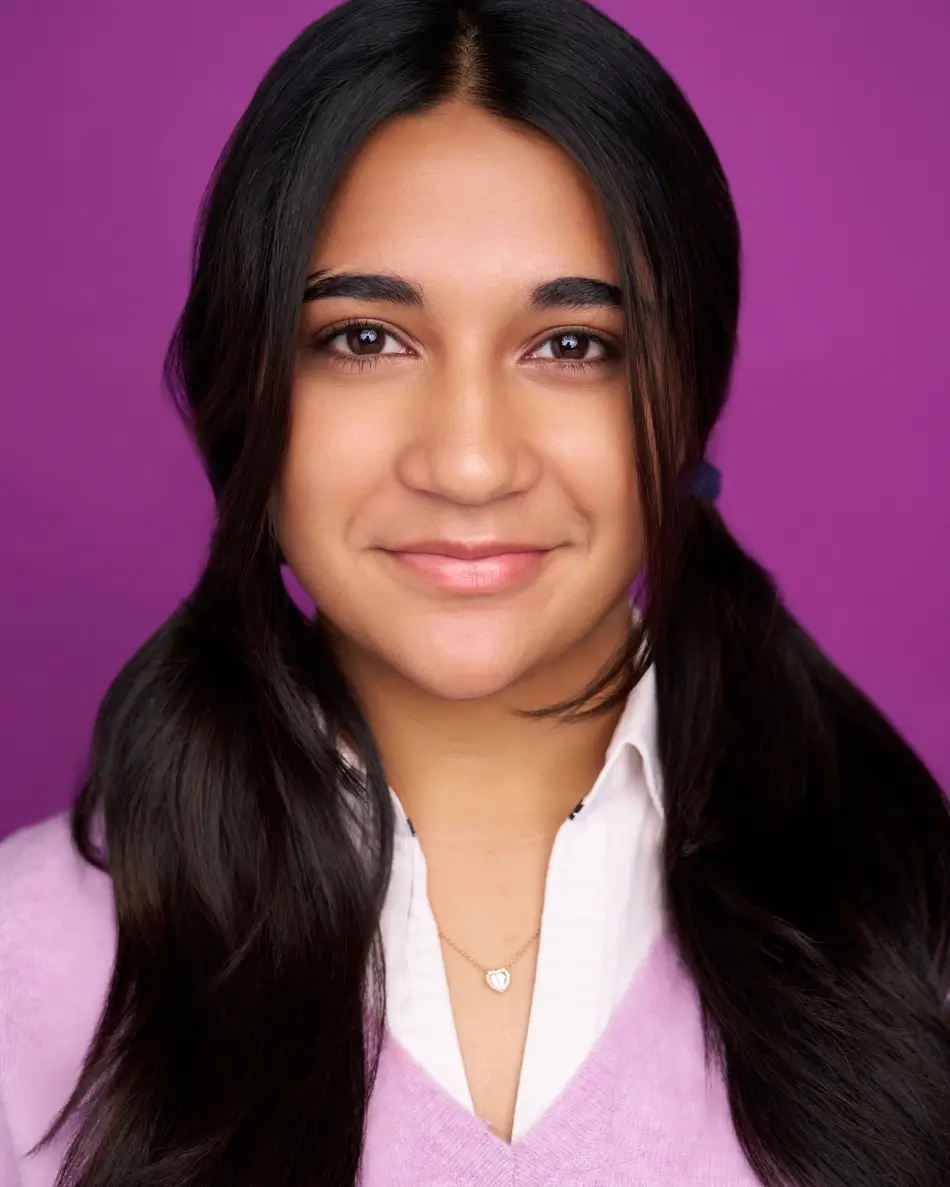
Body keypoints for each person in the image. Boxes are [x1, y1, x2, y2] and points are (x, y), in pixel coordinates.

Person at [1, 0, 948, 1183]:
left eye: (570, 345)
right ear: (247, 385)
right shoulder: (23, 968)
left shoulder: (909, 926)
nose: (465, 462)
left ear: (686, 397)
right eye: (364, 339)